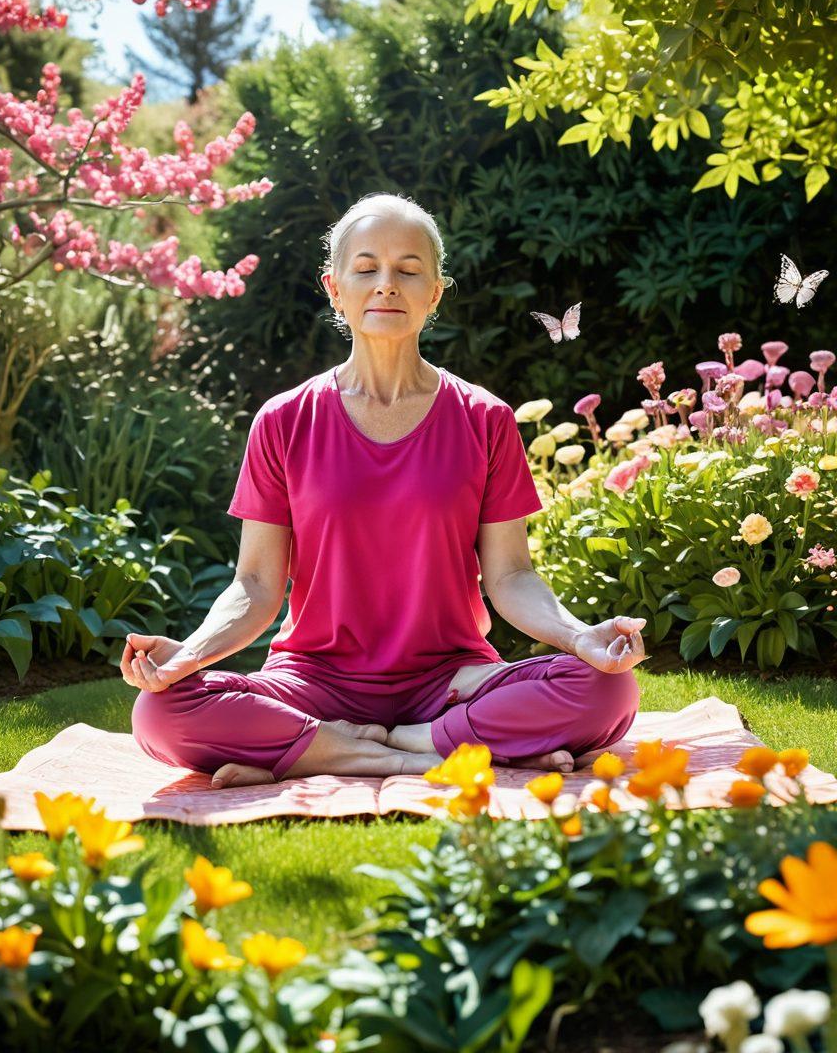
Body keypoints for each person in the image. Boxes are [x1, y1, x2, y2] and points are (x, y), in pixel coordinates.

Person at [125, 192, 645, 789]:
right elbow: (257, 585)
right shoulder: (283, 420)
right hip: (312, 681)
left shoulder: (485, 418)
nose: (387, 285)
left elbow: (511, 578)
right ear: (335, 289)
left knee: (608, 688)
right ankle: (406, 755)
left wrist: (583, 639)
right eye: (367, 268)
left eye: (408, 270)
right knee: (160, 711)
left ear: (435, 293)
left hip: (451, 681)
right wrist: (186, 656)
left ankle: (346, 748)